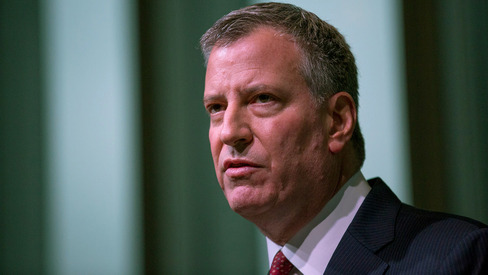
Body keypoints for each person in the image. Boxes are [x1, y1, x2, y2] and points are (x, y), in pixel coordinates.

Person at [200, 2, 488, 274]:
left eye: (262, 99)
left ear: (337, 121)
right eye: (216, 108)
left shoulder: (459, 258)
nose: (229, 132)